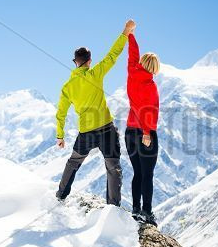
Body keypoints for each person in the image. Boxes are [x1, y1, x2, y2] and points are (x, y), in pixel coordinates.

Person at [55, 19, 136, 205]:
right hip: (107, 129)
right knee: (113, 167)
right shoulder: (95, 73)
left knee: (73, 162)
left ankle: (60, 195)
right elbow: (112, 55)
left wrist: (60, 136)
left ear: (75, 62)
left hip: (86, 132)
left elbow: (61, 113)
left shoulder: (67, 87)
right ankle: (113, 207)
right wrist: (126, 32)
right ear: (89, 62)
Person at [125, 28, 160, 226]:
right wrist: (147, 133)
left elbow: (133, 54)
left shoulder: (132, 72)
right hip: (145, 133)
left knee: (138, 173)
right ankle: (146, 212)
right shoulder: (150, 85)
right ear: (154, 67)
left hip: (129, 132)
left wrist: (131, 34)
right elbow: (150, 111)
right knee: (147, 175)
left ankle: (136, 209)